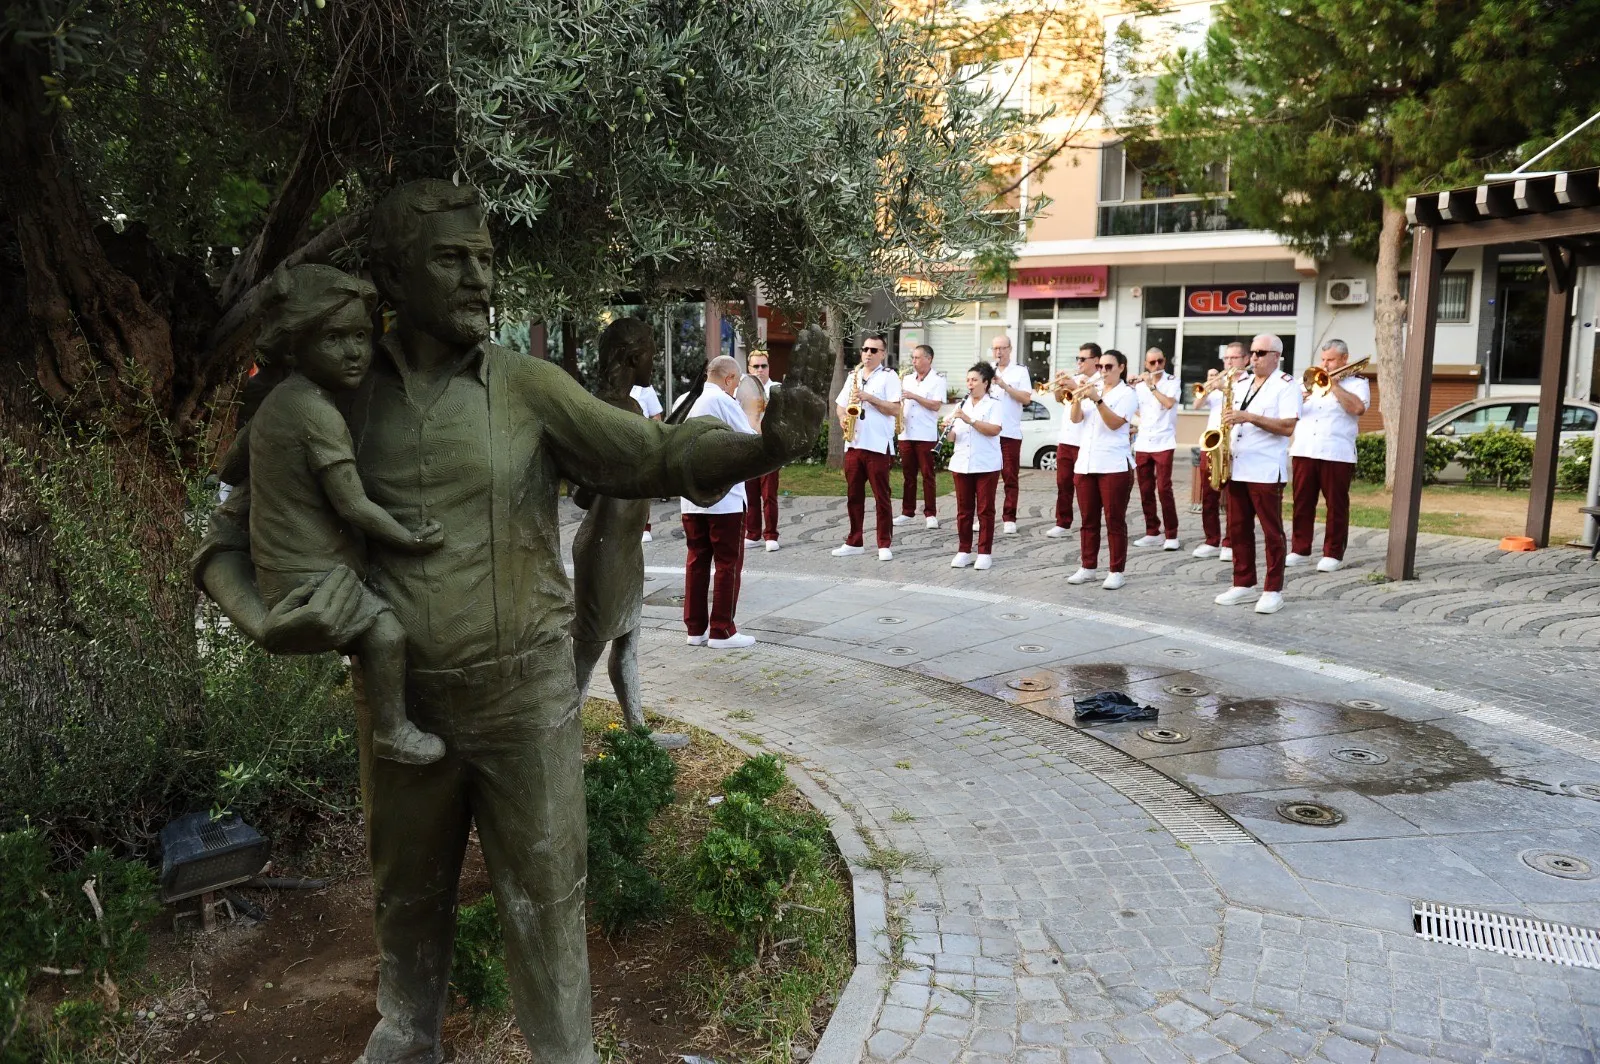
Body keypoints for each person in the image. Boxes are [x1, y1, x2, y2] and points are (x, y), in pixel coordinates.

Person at [192, 179, 825, 1064]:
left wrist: (762, 447)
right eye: (452, 260)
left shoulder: (526, 387)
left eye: (485, 259)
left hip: (525, 704)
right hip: (400, 709)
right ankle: (409, 1037)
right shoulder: (323, 393)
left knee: (548, 903)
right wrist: (263, 621)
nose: (479, 280)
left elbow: (656, 454)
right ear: (391, 276)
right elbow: (222, 547)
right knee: (405, 903)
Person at [241, 264, 446, 766]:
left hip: (278, 568)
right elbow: (352, 503)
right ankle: (393, 731)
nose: (355, 350)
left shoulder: (279, 401)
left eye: (361, 335)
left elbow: (232, 466)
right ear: (295, 344)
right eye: (334, 337)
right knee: (387, 634)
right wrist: (408, 538)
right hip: (307, 577)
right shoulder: (317, 413)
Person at [571, 318, 656, 731]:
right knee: (586, 654)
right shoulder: (604, 409)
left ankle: (637, 732)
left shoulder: (632, 408)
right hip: (603, 547)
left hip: (625, 545)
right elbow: (583, 491)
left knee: (628, 648)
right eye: (652, 355)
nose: (654, 363)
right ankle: (560, 737)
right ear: (633, 357)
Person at [1215, 333, 1302, 615]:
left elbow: (1288, 427)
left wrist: (1250, 417)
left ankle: (1273, 589)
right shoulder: (1241, 383)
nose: (1254, 357)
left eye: (1261, 353)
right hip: (1238, 464)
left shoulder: (1287, 386)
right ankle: (1243, 583)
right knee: (1237, 528)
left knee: (1271, 531)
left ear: (1276, 356)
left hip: (1265, 468)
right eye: (1253, 352)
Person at [682, 356, 759, 649]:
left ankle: (695, 629)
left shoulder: (690, 400)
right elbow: (750, 441)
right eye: (737, 383)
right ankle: (722, 630)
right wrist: (753, 415)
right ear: (728, 379)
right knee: (728, 563)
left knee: (697, 561)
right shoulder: (723, 401)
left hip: (692, 499)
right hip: (723, 500)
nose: (736, 389)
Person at [1288, 338, 1370, 572]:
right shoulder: (1304, 383)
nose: (1325, 365)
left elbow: (1357, 409)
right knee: (1302, 502)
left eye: (1331, 360)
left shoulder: (1357, 383)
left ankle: (1333, 553)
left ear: (1344, 359)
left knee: (1336, 505)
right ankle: (1299, 549)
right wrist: (1296, 400)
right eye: (1323, 360)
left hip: (1337, 452)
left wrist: (1333, 385)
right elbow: (1287, 413)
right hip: (1304, 450)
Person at [1066, 350, 1138, 590]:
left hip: (1114, 464)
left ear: (1121, 367)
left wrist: (1097, 399)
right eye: (1101, 366)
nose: (1103, 371)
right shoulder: (1092, 388)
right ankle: (1088, 567)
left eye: (1109, 367)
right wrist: (1077, 397)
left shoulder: (1127, 393)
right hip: (1086, 463)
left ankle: (1117, 570)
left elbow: (1115, 423)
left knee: (1114, 520)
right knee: (1088, 520)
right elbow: (1076, 419)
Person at [832, 332, 902, 561]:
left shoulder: (889, 377)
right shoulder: (853, 375)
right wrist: (843, 418)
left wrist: (869, 397)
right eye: (865, 349)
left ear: (882, 354)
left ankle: (884, 544)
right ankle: (855, 541)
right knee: (853, 495)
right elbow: (840, 406)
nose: (868, 354)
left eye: (873, 350)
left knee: (882, 496)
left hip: (877, 445)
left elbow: (895, 409)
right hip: (854, 444)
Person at [944, 362, 1004, 570]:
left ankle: (984, 552)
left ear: (985, 383)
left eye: (974, 380)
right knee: (964, 510)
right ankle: (964, 550)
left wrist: (969, 420)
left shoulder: (994, 404)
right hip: (961, 463)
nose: (970, 384)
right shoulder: (961, 405)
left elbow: (994, 429)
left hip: (986, 463)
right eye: (968, 380)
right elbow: (952, 438)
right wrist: (947, 430)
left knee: (986, 510)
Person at [1192, 342, 1248, 560]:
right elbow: (1197, 405)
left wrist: (1225, 388)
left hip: (1236, 446)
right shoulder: (1217, 382)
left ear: (1244, 360)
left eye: (1234, 358)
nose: (1229, 363)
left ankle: (1230, 542)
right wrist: (1210, 384)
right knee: (1208, 496)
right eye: (1226, 359)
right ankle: (1211, 540)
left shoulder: (1249, 383)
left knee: (1233, 498)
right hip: (1212, 445)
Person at [1046, 343, 1099, 538]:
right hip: (1066, 439)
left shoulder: (1099, 381)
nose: (1079, 362)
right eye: (1078, 359)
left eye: (1083, 359)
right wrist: (1058, 383)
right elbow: (1060, 399)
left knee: (1085, 486)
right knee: (1063, 484)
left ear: (1095, 360)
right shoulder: (1074, 378)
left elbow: (1095, 399)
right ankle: (1062, 522)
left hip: (1085, 441)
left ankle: (1089, 522)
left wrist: (1076, 386)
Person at [1132, 347, 1182, 551]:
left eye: (1159, 361)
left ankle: (1171, 534)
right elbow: (1137, 409)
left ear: (1165, 361)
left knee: (1164, 488)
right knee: (1145, 489)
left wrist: (1152, 386)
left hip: (1164, 441)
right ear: (1146, 364)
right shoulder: (1140, 386)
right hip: (1144, 441)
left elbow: (1169, 403)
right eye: (1152, 363)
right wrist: (1131, 385)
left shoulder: (1172, 381)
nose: (1156, 366)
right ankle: (1152, 530)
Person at [896, 344, 946, 530]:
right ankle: (907, 511)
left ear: (929, 359)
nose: (914, 361)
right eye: (913, 358)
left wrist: (914, 396)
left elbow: (935, 405)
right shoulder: (907, 379)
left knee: (927, 475)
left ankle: (930, 514)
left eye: (917, 358)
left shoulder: (937, 380)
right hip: (906, 432)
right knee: (908, 475)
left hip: (925, 434)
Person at [988, 334, 1033, 535]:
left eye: (1002, 348)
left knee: (1009, 476)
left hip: (1010, 432)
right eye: (995, 348)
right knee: (985, 477)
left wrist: (1004, 385)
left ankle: (1009, 517)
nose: (999, 352)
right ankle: (984, 516)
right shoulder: (987, 369)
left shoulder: (1020, 371)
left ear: (1010, 349)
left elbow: (1026, 399)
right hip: (988, 431)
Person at [739, 349, 782, 551]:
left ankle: (771, 535)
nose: (759, 370)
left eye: (763, 366)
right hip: (749, 446)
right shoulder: (742, 390)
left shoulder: (777, 389)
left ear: (768, 368)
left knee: (769, 494)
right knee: (750, 493)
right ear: (748, 369)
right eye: (755, 366)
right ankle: (753, 533)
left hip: (769, 448)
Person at [630, 376, 664, 542]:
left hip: (640, 444)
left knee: (641, 486)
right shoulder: (612, 386)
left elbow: (656, 416)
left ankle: (644, 526)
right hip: (617, 441)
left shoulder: (645, 389)